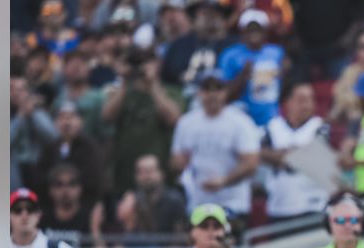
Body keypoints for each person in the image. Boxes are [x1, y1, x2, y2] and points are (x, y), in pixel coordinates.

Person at [170, 71, 262, 218]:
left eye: (218, 89)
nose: (212, 94)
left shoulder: (240, 122)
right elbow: (177, 161)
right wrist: (183, 167)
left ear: (225, 92)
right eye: (207, 89)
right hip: (198, 203)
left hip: (233, 204)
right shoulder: (186, 123)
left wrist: (224, 181)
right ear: (199, 92)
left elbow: (251, 163)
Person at [103, 47, 184, 195]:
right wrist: (124, 81)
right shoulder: (120, 92)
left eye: (146, 61)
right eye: (136, 62)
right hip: (125, 174)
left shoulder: (171, 91)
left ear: (157, 64)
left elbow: (173, 119)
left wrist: (152, 84)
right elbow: (107, 117)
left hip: (160, 173)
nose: (140, 66)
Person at [260, 81, 330, 221]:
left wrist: (279, 155)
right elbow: (258, 153)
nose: (307, 105)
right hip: (279, 206)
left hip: (312, 205)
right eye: (302, 100)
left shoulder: (320, 126)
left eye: (310, 99)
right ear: (288, 102)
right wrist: (294, 154)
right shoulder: (273, 127)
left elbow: (311, 153)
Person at [218, 9, 287, 126]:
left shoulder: (276, 52)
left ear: (265, 31)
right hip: (241, 118)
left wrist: (284, 72)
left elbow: (283, 82)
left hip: (271, 119)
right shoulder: (230, 55)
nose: (254, 32)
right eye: (250, 29)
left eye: (258, 29)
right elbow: (223, 94)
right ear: (242, 31)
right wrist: (243, 75)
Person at [161, 0, 233, 99]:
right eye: (204, 13)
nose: (210, 18)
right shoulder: (178, 45)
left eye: (215, 13)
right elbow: (166, 79)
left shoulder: (233, 45)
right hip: (182, 100)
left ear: (223, 19)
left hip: (222, 102)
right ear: (194, 18)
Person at [35, 102, 105, 208]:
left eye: (71, 117)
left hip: (83, 207)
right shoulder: (49, 148)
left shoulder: (90, 148)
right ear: (55, 123)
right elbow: (40, 178)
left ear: (80, 122)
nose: (66, 122)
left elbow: (93, 180)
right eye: (62, 118)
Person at [116, 154, 188, 235]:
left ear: (161, 173)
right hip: (138, 246)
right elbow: (125, 235)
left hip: (168, 246)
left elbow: (180, 238)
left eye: (149, 171)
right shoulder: (132, 200)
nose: (144, 176)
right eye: (140, 172)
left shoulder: (175, 200)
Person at [41, 163, 105, 247]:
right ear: (50, 190)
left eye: (72, 184)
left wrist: (95, 228)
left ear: (80, 189)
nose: (65, 190)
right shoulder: (42, 219)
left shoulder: (90, 219)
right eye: (59, 185)